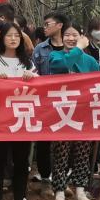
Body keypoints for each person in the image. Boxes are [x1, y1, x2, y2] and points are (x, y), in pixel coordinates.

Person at [0, 21, 36, 200]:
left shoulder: (29, 64)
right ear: (2, 38)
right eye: (9, 35)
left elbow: (40, 90)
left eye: (16, 36)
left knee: (21, 161)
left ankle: (21, 197)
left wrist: (34, 78)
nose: (13, 39)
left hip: (22, 119)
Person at [47, 24, 100, 200]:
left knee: (83, 152)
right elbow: (63, 66)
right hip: (61, 111)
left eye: (75, 35)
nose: (70, 38)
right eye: (67, 35)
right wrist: (78, 48)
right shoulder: (56, 56)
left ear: (82, 36)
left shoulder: (90, 60)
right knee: (60, 152)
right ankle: (59, 191)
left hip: (83, 112)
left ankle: (80, 189)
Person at [30, 11, 68, 190]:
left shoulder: (71, 47)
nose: (44, 28)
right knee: (43, 140)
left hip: (67, 100)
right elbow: (34, 72)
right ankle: (45, 176)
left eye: (48, 24)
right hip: (45, 101)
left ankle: (61, 176)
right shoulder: (40, 49)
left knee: (64, 140)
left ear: (59, 25)